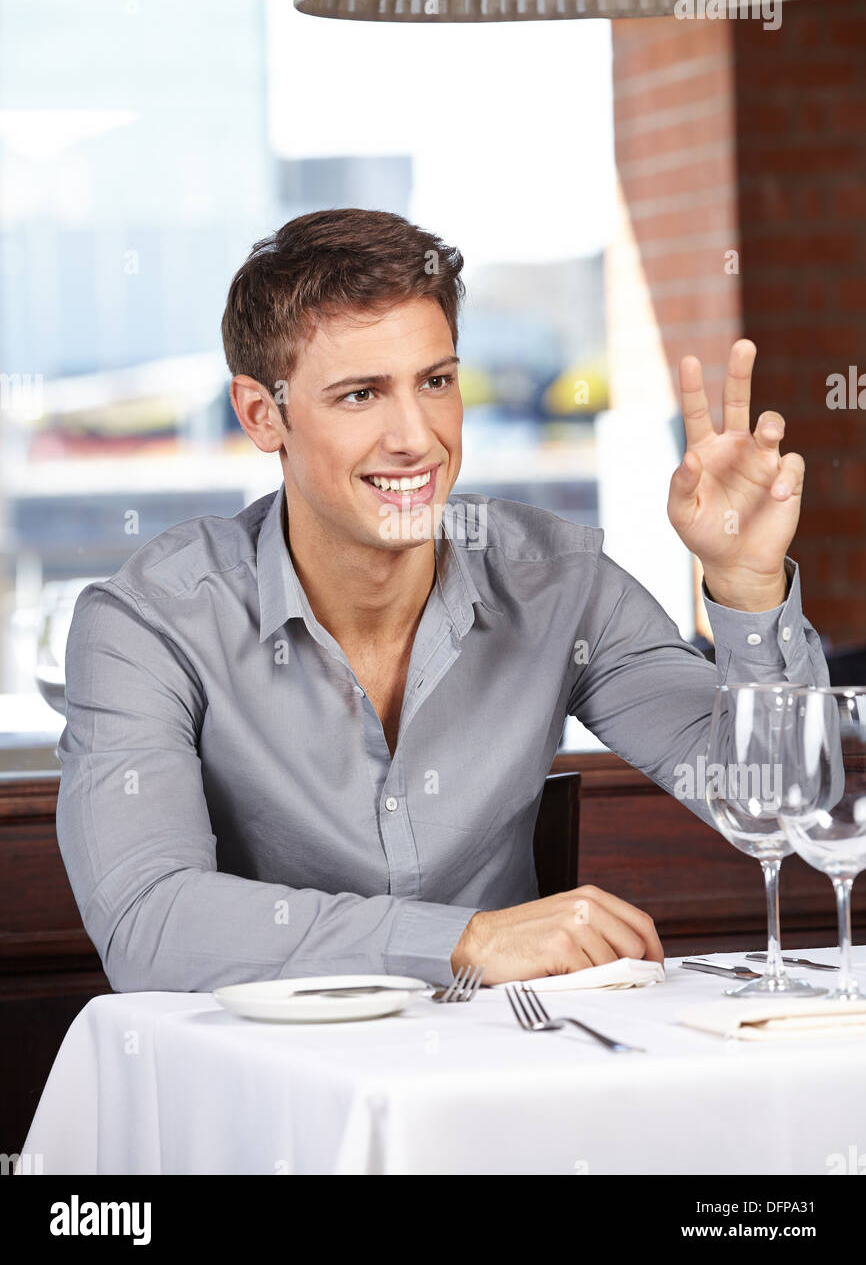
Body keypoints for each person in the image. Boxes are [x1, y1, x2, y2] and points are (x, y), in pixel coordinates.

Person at [56, 208, 829, 992]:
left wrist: (747, 584)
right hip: (264, 1090)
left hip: (511, 1075)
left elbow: (775, 802)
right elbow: (147, 924)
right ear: (263, 414)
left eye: (436, 382)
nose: (416, 438)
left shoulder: (559, 585)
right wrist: (461, 941)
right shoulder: (148, 623)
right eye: (361, 395)